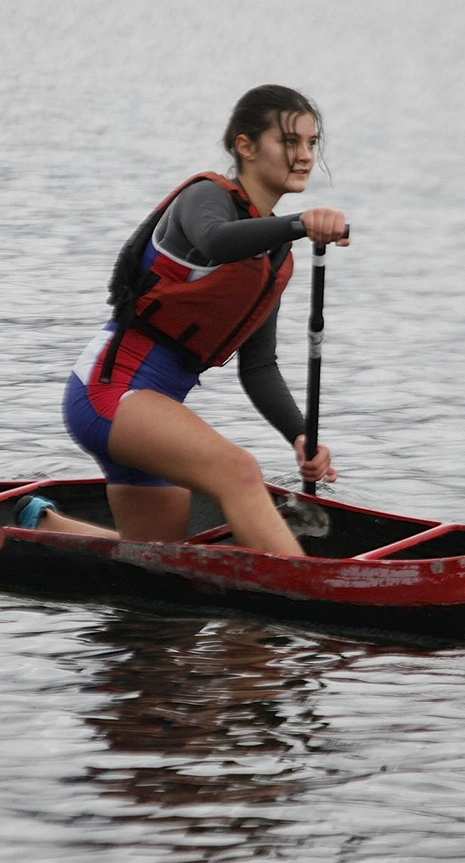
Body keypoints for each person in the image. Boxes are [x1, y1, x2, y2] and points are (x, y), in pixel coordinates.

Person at [18, 85, 350, 557]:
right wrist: (300, 223)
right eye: (289, 142)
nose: (303, 156)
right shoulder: (204, 198)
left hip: (150, 411)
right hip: (109, 391)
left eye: (311, 144)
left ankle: (42, 521)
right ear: (246, 146)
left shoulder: (274, 257)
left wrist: (300, 434)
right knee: (238, 471)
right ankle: (316, 605)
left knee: (156, 558)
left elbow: (258, 366)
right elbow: (215, 241)